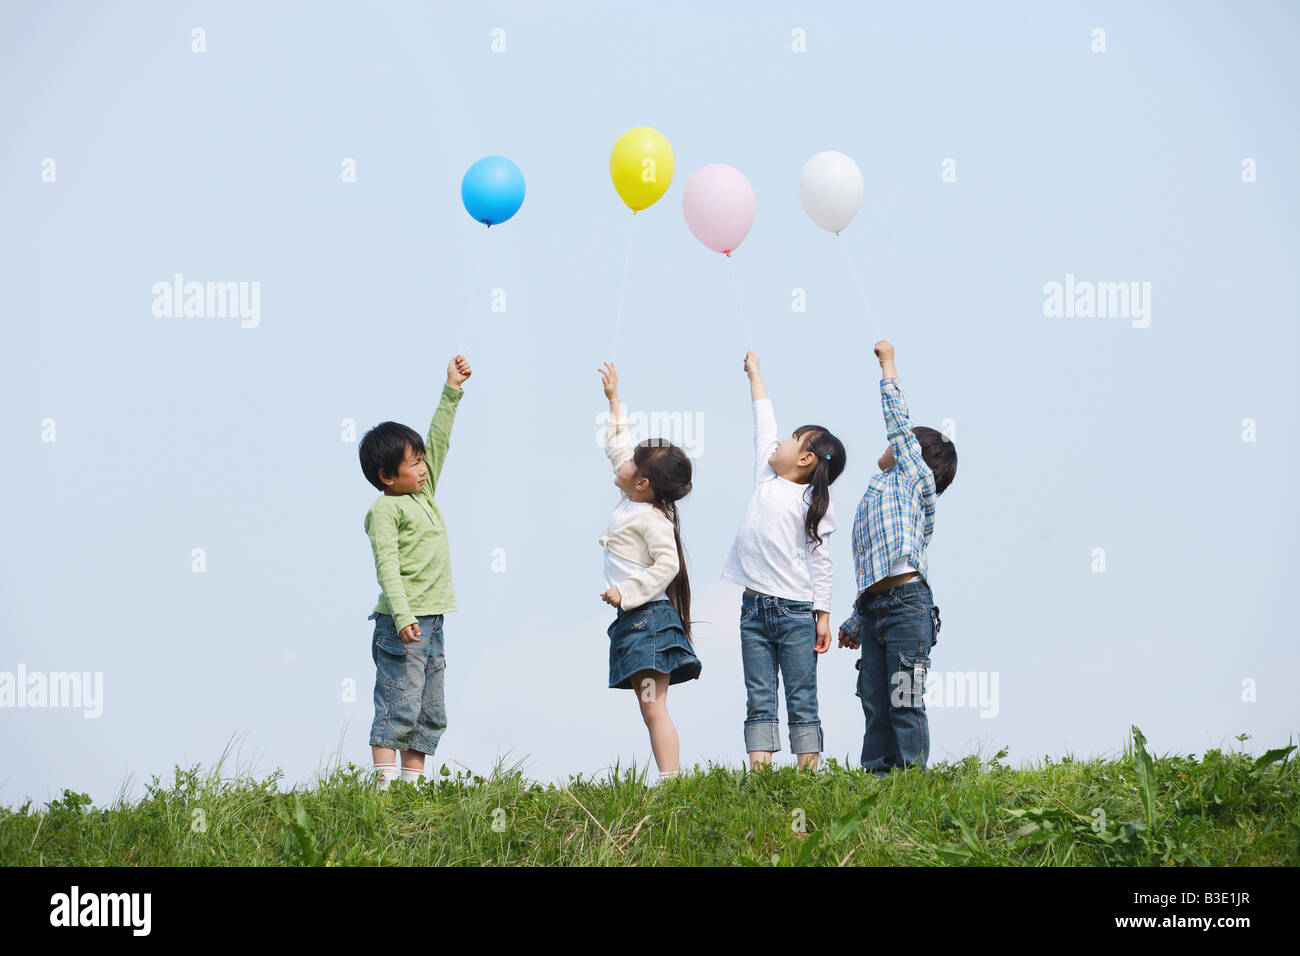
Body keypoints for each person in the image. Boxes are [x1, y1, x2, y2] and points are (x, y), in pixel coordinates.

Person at [722, 350, 845, 770]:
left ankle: (806, 774)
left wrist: (823, 614)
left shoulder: (813, 501)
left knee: (800, 694)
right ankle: (760, 774)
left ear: (806, 459)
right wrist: (755, 374)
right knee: (759, 693)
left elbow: (822, 563)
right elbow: (763, 425)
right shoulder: (766, 476)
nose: (779, 442)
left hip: (795, 612)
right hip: (753, 608)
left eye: (792, 439)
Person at [837, 340, 957, 774]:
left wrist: (888, 366)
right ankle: (877, 777)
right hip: (875, 607)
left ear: (914, 453)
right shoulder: (877, 491)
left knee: (904, 696)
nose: (891, 443)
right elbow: (874, 565)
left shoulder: (913, 478)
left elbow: (898, 423)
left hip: (908, 604)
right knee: (873, 698)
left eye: (903, 442)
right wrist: (855, 619)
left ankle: (911, 782)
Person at [358, 355, 471, 790]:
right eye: (413, 463)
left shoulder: (423, 492)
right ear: (387, 476)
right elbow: (387, 568)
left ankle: (412, 788)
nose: (423, 468)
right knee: (398, 703)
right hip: (403, 622)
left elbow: (439, 439)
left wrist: (452, 390)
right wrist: (403, 616)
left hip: (434, 618)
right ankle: (384, 791)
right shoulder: (385, 509)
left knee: (429, 708)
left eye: (423, 460)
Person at [596, 361, 701, 782]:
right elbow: (617, 447)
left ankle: (670, 783)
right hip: (637, 622)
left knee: (654, 706)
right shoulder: (636, 497)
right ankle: (668, 780)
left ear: (641, 483)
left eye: (634, 461)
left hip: (649, 620)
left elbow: (669, 564)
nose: (624, 459)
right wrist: (614, 400)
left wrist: (628, 591)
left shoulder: (652, 518)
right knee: (649, 707)